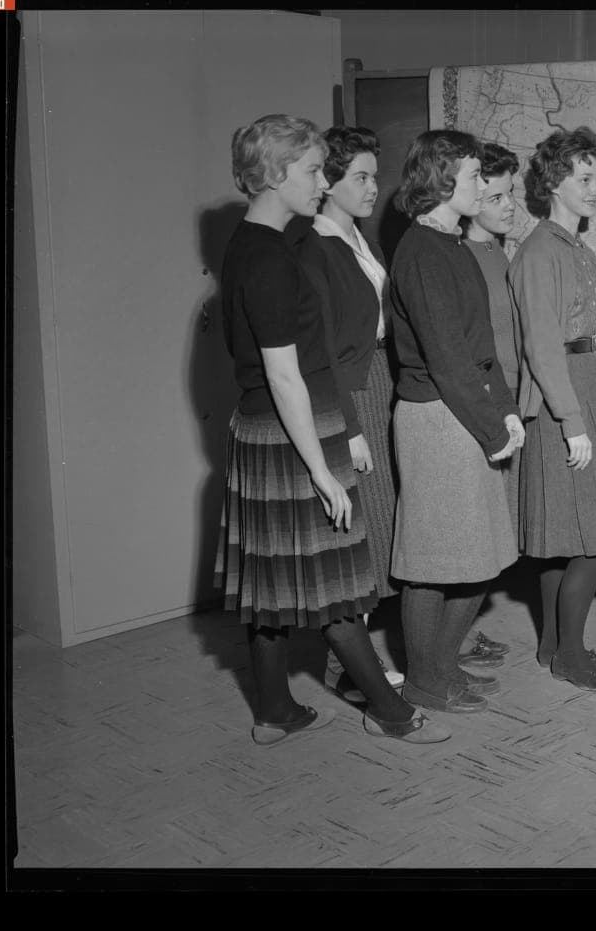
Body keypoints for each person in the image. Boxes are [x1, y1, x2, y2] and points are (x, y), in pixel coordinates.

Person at [214, 114, 448, 746]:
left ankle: (274, 712)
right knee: (339, 588)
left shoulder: (251, 245)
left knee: (271, 586)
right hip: (297, 435)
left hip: (264, 433)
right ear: (276, 173)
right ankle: (389, 713)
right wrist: (322, 468)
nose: (323, 182)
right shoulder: (271, 259)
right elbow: (286, 375)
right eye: (314, 170)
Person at [388, 130, 525, 713]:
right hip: (437, 419)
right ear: (442, 180)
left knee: (477, 557)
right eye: (472, 177)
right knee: (434, 560)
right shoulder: (421, 252)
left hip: (464, 411)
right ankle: (425, 679)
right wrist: (494, 428)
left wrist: (506, 409)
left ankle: (441, 669)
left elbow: (480, 346)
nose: (482, 186)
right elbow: (446, 356)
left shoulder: (452, 245)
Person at [509, 126, 596, 692]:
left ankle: (554, 645)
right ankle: (570, 653)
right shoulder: (539, 252)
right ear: (555, 182)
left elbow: (594, 336)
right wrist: (573, 423)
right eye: (586, 178)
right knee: (593, 536)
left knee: (567, 534)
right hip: (564, 400)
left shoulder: (574, 247)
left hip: (587, 391)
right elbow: (541, 344)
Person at [294, 126, 405, 701]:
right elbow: (325, 353)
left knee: (380, 526)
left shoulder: (361, 240)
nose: (372, 186)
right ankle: (355, 666)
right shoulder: (314, 249)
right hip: (351, 396)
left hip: (381, 384)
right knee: (357, 533)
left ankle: (357, 655)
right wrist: (352, 430)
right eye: (360, 176)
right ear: (329, 182)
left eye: (373, 175)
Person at [457, 141, 522, 670]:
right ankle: (448, 641)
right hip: (484, 411)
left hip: (510, 404)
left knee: (495, 530)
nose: (509, 205)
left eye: (511, 194)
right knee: (475, 530)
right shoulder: (463, 258)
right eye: (496, 196)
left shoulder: (499, 250)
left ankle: (463, 631)